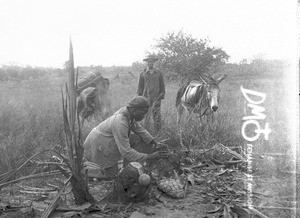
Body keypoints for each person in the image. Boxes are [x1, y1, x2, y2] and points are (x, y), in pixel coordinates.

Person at [83, 96, 169, 179]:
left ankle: (129, 168)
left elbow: (139, 129)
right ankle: (83, 169)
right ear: (134, 110)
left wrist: (154, 142)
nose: (144, 117)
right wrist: (150, 156)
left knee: (138, 138)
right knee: (110, 175)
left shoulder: (128, 113)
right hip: (97, 146)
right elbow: (126, 152)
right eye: (143, 113)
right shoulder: (120, 122)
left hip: (105, 142)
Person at [137, 54, 165, 132]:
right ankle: (147, 132)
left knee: (157, 116)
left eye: (152, 61)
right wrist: (141, 98)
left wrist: (160, 96)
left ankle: (158, 132)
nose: (151, 63)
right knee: (146, 116)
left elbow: (162, 86)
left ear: (154, 62)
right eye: (149, 62)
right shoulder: (143, 74)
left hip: (157, 98)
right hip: (146, 98)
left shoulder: (159, 73)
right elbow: (140, 87)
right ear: (147, 63)